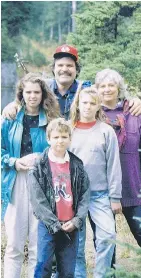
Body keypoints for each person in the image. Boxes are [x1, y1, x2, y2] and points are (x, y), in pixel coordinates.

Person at [1, 72, 60, 278]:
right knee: (14, 244)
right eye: (28, 92)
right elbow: (1, 151)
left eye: (37, 92)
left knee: (38, 244)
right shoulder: (9, 118)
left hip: (43, 184)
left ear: (43, 95)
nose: (32, 96)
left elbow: (61, 150)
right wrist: (14, 162)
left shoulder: (52, 120)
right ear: (21, 93)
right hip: (15, 181)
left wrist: (43, 160)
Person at [70, 86, 122, 278]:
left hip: (100, 194)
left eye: (93, 103)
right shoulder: (69, 129)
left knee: (108, 236)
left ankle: (101, 274)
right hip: (74, 195)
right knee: (76, 241)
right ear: (77, 104)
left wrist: (115, 197)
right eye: (84, 102)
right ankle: (79, 275)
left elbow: (114, 165)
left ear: (98, 106)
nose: (88, 106)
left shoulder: (106, 131)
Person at [27, 117, 90, 278]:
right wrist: (54, 224)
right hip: (48, 226)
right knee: (43, 266)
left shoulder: (77, 164)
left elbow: (84, 195)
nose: (60, 141)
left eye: (64, 137)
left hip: (71, 226)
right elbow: (37, 199)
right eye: (55, 137)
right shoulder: (39, 165)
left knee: (67, 270)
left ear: (70, 139)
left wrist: (77, 220)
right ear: (48, 139)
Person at [95, 68, 141, 247]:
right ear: (97, 90)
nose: (107, 89)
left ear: (118, 87)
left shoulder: (135, 113)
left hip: (133, 185)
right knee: (105, 242)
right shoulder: (93, 115)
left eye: (111, 85)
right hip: (103, 188)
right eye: (102, 86)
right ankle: (110, 275)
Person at [2, 44, 91, 120]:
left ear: (77, 69)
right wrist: (13, 105)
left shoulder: (85, 89)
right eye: (60, 65)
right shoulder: (43, 86)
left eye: (69, 65)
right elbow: (23, 99)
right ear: (53, 69)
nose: (64, 69)